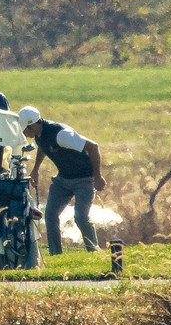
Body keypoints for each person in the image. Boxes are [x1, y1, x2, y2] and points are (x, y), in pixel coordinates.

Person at [18, 105, 106, 255]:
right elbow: (43, 146)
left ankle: (94, 252)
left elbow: (93, 147)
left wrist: (97, 176)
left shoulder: (62, 135)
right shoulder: (39, 133)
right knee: (50, 215)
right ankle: (56, 255)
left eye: (25, 130)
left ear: (32, 125)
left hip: (84, 179)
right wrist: (36, 169)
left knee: (81, 218)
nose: (25, 134)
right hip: (63, 179)